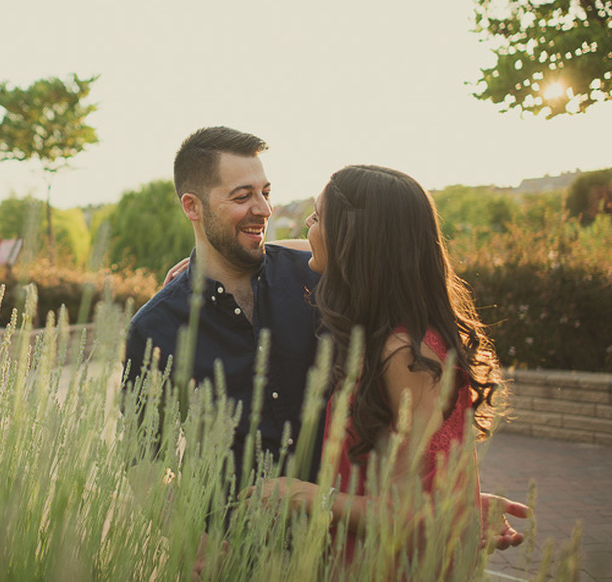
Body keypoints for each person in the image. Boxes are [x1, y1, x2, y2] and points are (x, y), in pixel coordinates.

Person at [243, 164, 516, 565]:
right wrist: (204, 260)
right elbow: (422, 483)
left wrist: (303, 494)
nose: (307, 224)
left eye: (318, 217)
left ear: (354, 242)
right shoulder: (390, 337)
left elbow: (410, 516)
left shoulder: (405, 353)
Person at [123, 126, 325, 482]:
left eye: (265, 192)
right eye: (242, 196)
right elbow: (145, 462)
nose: (264, 210)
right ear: (192, 206)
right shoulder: (155, 328)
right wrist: (200, 539)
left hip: (340, 531)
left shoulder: (316, 279)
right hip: (230, 532)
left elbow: (381, 249)